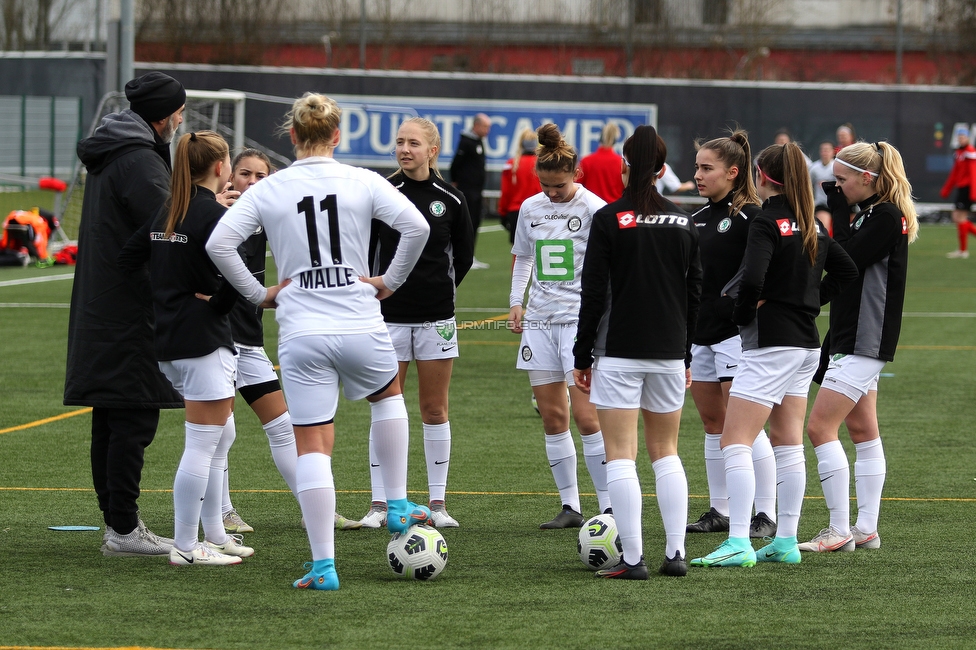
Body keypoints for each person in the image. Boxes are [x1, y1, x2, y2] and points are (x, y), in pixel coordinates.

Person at [206, 92, 430, 590]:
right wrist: (388, 281)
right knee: (388, 395)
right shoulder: (363, 179)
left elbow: (218, 243)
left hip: (302, 329)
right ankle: (395, 503)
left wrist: (258, 294)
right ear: (337, 135)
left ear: (292, 137)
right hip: (359, 318)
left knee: (312, 444)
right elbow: (416, 227)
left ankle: (324, 566)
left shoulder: (271, 187)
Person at [690, 142, 857, 569]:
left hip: (771, 343)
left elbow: (752, 281)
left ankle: (739, 542)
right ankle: (785, 540)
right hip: (805, 344)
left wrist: (743, 314)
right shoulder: (808, 222)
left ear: (762, 176)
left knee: (734, 439)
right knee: (787, 443)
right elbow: (847, 271)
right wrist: (809, 302)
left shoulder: (767, 221)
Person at [64, 71, 186, 557]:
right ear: (163, 115)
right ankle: (123, 529)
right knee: (132, 418)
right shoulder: (138, 160)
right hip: (129, 310)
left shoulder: (120, 151)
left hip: (106, 305)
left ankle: (118, 524)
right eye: (178, 111)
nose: (181, 119)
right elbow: (166, 228)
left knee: (113, 415)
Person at [118, 130, 253, 566]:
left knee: (220, 433)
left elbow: (126, 259)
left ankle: (212, 533)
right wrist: (215, 301)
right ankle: (187, 547)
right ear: (220, 168)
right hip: (203, 339)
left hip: (172, 341)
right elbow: (240, 271)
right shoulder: (212, 213)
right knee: (203, 442)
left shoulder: (169, 209)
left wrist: (167, 296)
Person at [573, 125, 701, 579]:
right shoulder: (684, 220)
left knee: (621, 455)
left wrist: (581, 355)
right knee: (666, 451)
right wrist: (685, 356)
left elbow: (592, 293)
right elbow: (695, 293)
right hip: (668, 351)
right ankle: (675, 555)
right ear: (664, 170)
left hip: (619, 351)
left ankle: (632, 560)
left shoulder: (609, 219)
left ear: (626, 167)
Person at [215, 150, 360, 534]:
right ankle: (222, 513)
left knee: (283, 424)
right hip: (214, 340)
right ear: (230, 176)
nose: (252, 182)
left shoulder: (269, 216)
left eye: (261, 175)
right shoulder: (216, 215)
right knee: (219, 430)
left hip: (248, 341)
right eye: (244, 174)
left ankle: (317, 509)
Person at [800, 141, 918, 553]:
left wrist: (820, 225)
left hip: (866, 335)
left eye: (843, 180)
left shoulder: (886, 216)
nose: (837, 185)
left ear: (868, 178)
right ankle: (865, 528)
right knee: (863, 430)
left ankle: (839, 530)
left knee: (819, 427)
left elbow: (844, 257)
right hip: (853, 331)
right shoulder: (872, 212)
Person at [359, 117, 473, 529]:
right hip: (386, 318)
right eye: (400, 142)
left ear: (432, 150)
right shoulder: (381, 194)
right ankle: (380, 504)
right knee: (386, 407)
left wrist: (437, 291)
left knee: (433, 408)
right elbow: (364, 249)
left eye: (413, 143)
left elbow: (462, 258)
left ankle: (437, 504)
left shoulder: (453, 199)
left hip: (436, 319)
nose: (405, 149)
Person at [507, 123, 610, 529]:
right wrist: (517, 302)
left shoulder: (595, 209)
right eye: (546, 186)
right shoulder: (530, 209)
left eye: (559, 186)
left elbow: (607, 271)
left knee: (587, 418)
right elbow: (524, 258)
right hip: (539, 322)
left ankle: (608, 507)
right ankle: (570, 506)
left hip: (579, 323)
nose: (551, 193)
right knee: (553, 418)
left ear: (576, 175)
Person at [685, 130, 777, 540]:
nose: (698, 175)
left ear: (733, 172)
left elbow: (769, 273)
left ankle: (765, 513)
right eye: (697, 168)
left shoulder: (753, 217)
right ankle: (719, 509)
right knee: (712, 423)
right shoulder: (697, 219)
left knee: (745, 428)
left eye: (707, 168)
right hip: (700, 333)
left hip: (737, 336)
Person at [450, 113, 491, 269]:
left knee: (475, 222)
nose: (487, 130)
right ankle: (462, 256)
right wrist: (456, 182)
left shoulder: (479, 141)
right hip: (467, 191)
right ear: (477, 125)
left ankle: (470, 255)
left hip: (477, 190)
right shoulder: (466, 142)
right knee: (466, 223)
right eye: (486, 126)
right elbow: (456, 163)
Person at [498, 128, 541, 243]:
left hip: (516, 212)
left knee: (519, 256)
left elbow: (505, 192)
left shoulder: (511, 165)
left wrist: (502, 213)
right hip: (538, 212)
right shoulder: (542, 164)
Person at [941, 125, 976, 258]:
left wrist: (973, 192)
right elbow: (955, 173)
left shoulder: (970, 152)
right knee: (958, 218)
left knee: (959, 217)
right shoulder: (959, 153)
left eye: (963, 137)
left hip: (967, 189)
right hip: (962, 188)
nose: (961, 139)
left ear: (968, 138)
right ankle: (962, 250)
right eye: (959, 137)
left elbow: (973, 174)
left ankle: (963, 251)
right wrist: (947, 189)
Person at [578, 122, 625, 203]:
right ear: (615, 141)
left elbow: (577, 187)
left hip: (591, 209)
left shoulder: (586, 161)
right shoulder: (621, 163)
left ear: (600, 138)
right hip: (614, 210)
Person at [809, 141, 837, 236]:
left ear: (833, 152)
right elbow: (808, 187)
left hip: (837, 204)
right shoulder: (814, 168)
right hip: (822, 205)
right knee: (823, 229)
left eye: (827, 150)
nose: (825, 153)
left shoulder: (836, 167)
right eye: (823, 150)